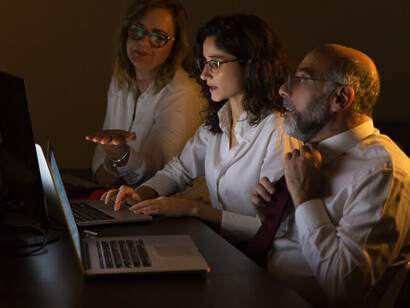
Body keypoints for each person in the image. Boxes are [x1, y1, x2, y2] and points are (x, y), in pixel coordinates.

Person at [102, 14, 301, 243]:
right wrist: (139, 194)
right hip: (223, 248)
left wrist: (193, 209)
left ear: (250, 63)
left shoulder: (278, 131)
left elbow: (277, 229)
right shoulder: (218, 120)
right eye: (204, 63)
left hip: (262, 264)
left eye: (215, 63)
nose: (205, 75)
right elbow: (179, 171)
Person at [250, 44, 410, 307]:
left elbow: (344, 290)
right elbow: (294, 249)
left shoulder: (384, 171)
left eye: (300, 79)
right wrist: (269, 216)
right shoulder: (312, 155)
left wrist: (305, 200)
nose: (283, 90)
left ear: (340, 98)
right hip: (258, 287)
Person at [85, 0, 206, 189]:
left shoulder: (184, 93)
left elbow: (153, 175)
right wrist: (104, 170)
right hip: (120, 197)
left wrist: (120, 156)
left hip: (163, 207)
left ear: (174, 48)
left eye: (158, 37)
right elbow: (100, 150)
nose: (143, 42)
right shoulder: (121, 79)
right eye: (137, 31)